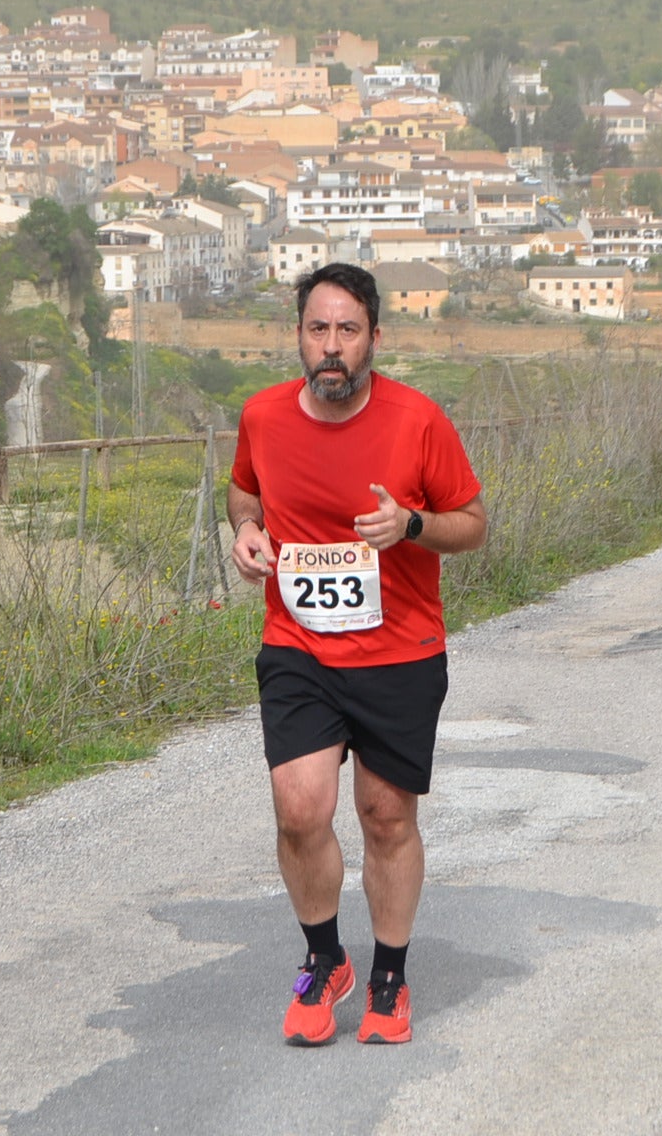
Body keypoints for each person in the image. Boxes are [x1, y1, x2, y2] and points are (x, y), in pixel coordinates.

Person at [229, 263, 489, 1049]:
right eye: (318, 330)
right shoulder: (264, 416)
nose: (332, 347)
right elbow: (244, 491)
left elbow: (472, 522)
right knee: (300, 809)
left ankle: (389, 975)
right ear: (299, 338)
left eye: (348, 331)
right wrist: (244, 531)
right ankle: (324, 958)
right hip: (298, 646)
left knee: (385, 817)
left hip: (399, 651)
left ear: (375, 337)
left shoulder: (417, 420)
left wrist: (412, 525)